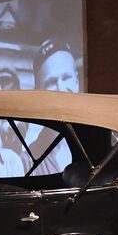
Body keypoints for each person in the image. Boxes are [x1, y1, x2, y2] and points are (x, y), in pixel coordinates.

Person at [27, 39, 81, 175]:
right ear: (38, 94)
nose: (61, 89)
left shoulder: (99, 143)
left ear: (77, 82)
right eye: (51, 82)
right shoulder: (29, 158)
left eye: (66, 77)